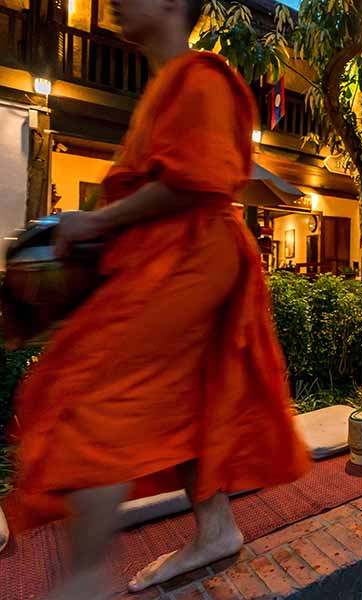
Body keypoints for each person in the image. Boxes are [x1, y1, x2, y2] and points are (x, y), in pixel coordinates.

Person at [1, 0, 310, 596]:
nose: (114, 1)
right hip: (173, 253)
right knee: (190, 394)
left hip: (192, 250)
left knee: (89, 386)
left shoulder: (202, 74)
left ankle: (84, 580)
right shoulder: (169, 85)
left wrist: (95, 222)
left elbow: (195, 179)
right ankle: (214, 526)